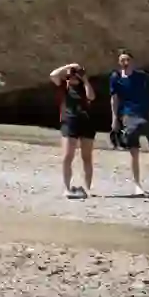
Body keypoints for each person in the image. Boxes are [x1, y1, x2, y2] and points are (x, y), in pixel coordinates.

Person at [108, 50, 149, 195]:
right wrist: (114, 120)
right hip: (129, 115)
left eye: (127, 59)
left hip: (146, 115)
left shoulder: (142, 76)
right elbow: (114, 100)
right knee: (134, 150)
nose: (125, 63)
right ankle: (137, 185)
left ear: (132, 61)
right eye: (122, 60)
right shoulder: (115, 77)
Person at [49, 61, 98, 198]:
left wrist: (85, 79)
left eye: (76, 75)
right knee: (67, 156)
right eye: (71, 75)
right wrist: (69, 66)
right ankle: (67, 187)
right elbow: (53, 75)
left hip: (86, 122)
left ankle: (88, 188)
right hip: (69, 122)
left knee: (86, 157)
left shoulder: (84, 87)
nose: (73, 77)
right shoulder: (63, 86)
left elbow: (91, 97)